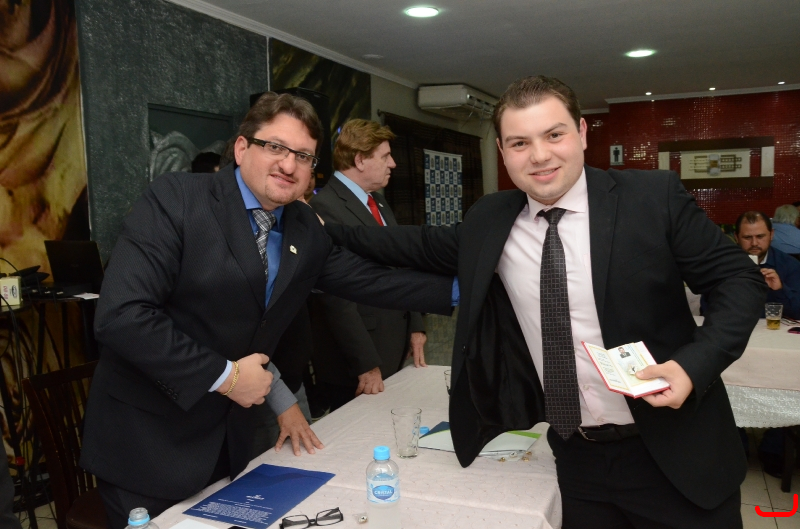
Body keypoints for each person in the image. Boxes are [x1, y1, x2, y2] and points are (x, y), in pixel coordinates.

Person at [325, 76, 767, 529]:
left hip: (677, 452)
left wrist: (693, 365)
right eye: (520, 143)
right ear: (502, 151)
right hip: (576, 459)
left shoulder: (652, 198)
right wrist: (314, 226)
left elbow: (738, 279)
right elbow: (407, 245)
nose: (539, 155)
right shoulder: (490, 220)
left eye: (554, 135)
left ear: (582, 132)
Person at [79, 92, 455, 528]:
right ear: (242, 148)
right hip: (147, 445)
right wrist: (227, 377)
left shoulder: (302, 227)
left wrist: (465, 290)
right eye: (275, 147)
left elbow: (370, 281)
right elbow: (123, 315)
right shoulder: (177, 199)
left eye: (303, 156)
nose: (288, 165)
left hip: (230, 448)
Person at [309, 120, 427, 411]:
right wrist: (366, 363)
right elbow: (335, 298)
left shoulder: (379, 203)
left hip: (392, 346)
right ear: (360, 160)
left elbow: (402, 265)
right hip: (357, 362)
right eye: (385, 156)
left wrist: (415, 326)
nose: (393, 163)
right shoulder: (325, 208)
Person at [734, 210, 800, 319]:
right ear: (736, 237)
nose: (754, 243)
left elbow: (797, 312)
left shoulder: (790, 265)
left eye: (760, 236)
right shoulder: (723, 265)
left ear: (771, 235)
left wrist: (780, 289)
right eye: (747, 237)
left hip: (774, 328)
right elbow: (708, 307)